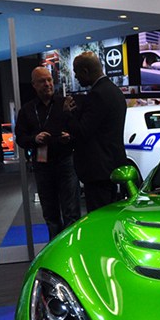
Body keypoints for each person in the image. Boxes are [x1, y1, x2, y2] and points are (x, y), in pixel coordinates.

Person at [15, 67, 81, 239]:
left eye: (49, 80)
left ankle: (72, 246)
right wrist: (34, 139)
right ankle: (54, 248)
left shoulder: (65, 104)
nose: (47, 84)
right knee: (50, 213)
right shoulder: (27, 110)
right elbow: (20, 138)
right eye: (42, 81)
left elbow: (79, 131)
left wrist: (70, 137)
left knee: (71, 211)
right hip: (42, 165)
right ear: (34, 85)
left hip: (65, 161)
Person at [63, 51, 128, 212]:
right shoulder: (115, 91)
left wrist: (67, 114)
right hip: (112, 166)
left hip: (97, 171)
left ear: (85, 71)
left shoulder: (97, 95)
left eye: (76, 72)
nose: (76, 77)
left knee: (99, 215)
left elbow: (83, 132)